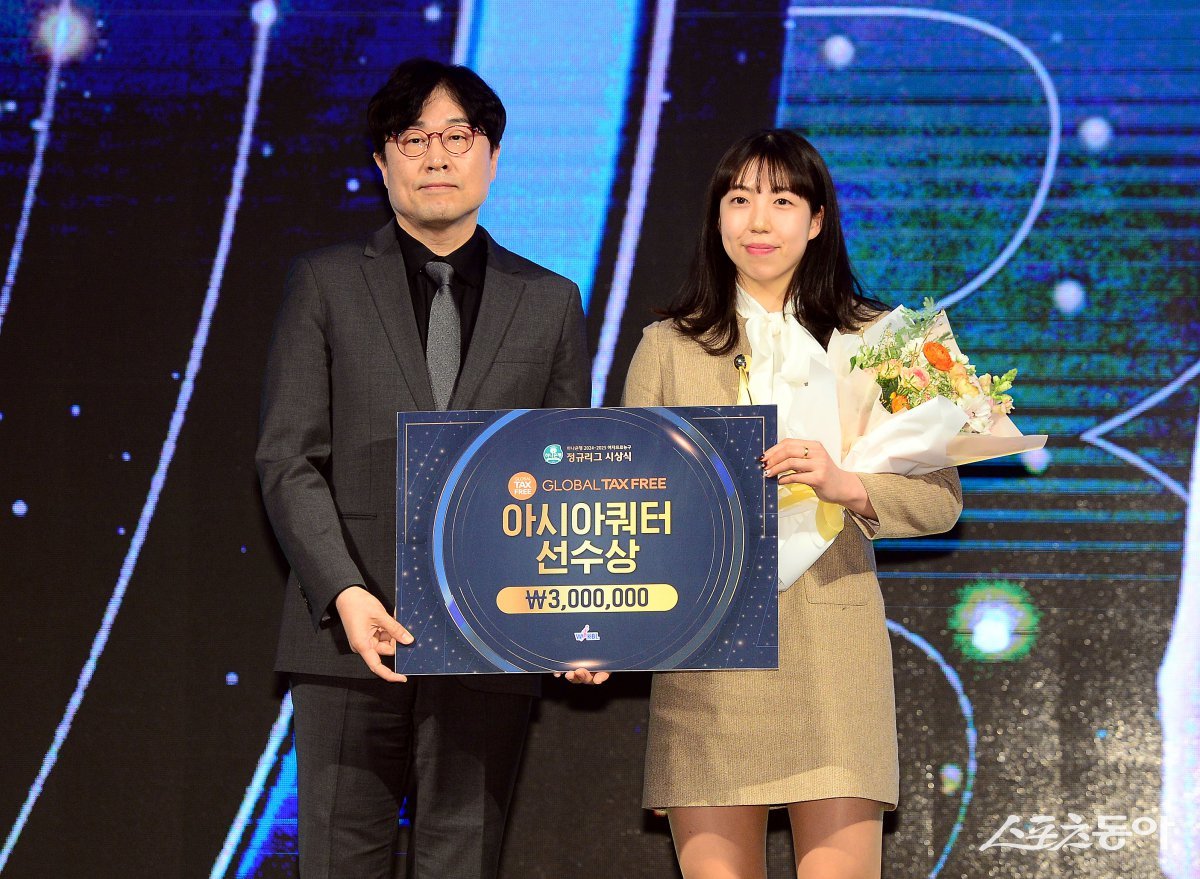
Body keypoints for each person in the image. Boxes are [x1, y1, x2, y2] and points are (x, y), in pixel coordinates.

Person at [255, 58, 592, 879]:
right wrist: (345, 590)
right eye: (413, 139)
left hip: (492, 638)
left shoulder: (549, 301)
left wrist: (576, 613)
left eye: (457, 137)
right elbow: (288, 457)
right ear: (382, 161)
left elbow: (567, 475)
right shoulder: (326, 283)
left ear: (492, 157)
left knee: (464, 862)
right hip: (346, 639)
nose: (436, 157)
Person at [622, 129, 963, 879]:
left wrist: (844, 483)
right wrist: (595, 633)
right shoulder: (667, 346)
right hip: (709, 657)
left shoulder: (886, 340)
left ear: (816, 220)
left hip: (833, 649)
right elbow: (630, 509)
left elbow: (941, 502)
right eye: (739, 199)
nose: (758, 220)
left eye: (781, 200)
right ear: (717, 218)